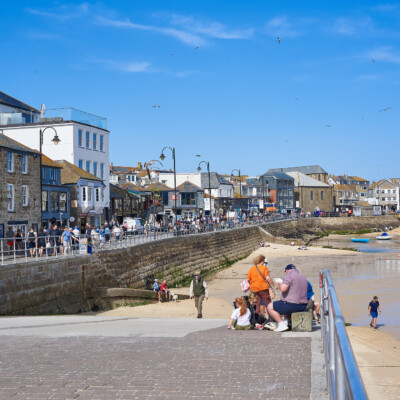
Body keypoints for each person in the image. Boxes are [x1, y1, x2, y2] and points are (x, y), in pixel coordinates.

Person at [266, 264, 308, 332]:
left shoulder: (289, 276)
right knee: (285, 301)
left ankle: (281, 324)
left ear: (287, 270)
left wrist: (280, 283)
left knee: (269, 306)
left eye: (285, 271)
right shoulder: (303, 276)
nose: (286, 273)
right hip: (303, 305)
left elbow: (283, 289)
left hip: (293, 305)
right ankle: (286, 322)